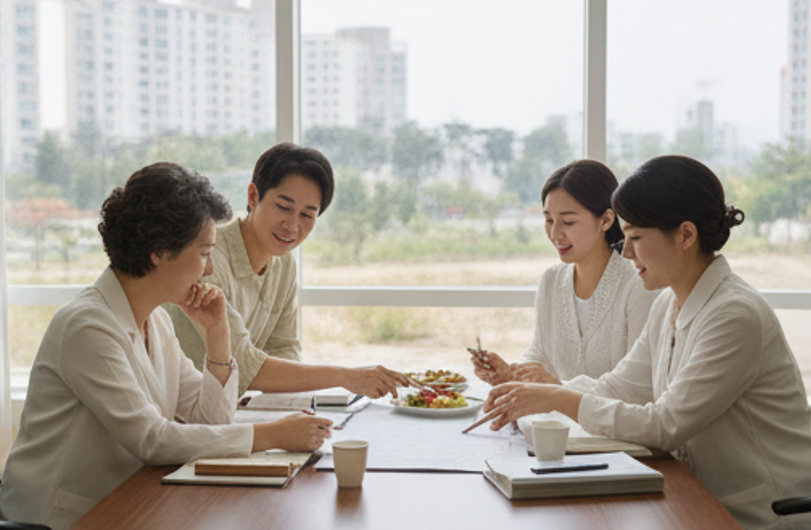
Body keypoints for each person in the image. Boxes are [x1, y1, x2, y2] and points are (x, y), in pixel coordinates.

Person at [482, 155, 811, 530]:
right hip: (696, 499)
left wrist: (556, 397)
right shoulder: (671, 302)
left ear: (686, 235)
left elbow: (665, 423)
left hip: (760, 514)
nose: (626, 252)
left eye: (635, 237)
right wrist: (536, 394)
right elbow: (620, 386)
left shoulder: (734, 315)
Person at [0, 163, 333, 530]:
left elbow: (210, 421)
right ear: (159, 251)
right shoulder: (87, 326)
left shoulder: (155, 320)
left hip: (129, 503)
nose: (208, 270)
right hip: (61, 518)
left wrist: (217, 338)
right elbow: (152, 439)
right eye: (204, 253)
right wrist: (272, 435)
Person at [166, 142, 410, 398]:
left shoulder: (283, 263)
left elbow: (285, 348)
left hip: (227, 410)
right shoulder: (207, 259)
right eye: (283, 208)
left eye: (307, 215)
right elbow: (240, 364)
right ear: (253, 196)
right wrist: (345, 376)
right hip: (180, 412)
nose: (292, 226)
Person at [471, 160, 658, 385]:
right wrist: (511, 374)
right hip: (557, 420)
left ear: (607, 220)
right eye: (549, 220)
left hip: (611, 421)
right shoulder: (551, 280)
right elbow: (540, 355)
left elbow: (637, 385)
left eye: (568, 222)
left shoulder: (639, 283)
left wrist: (559, 389)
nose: (555, 233)